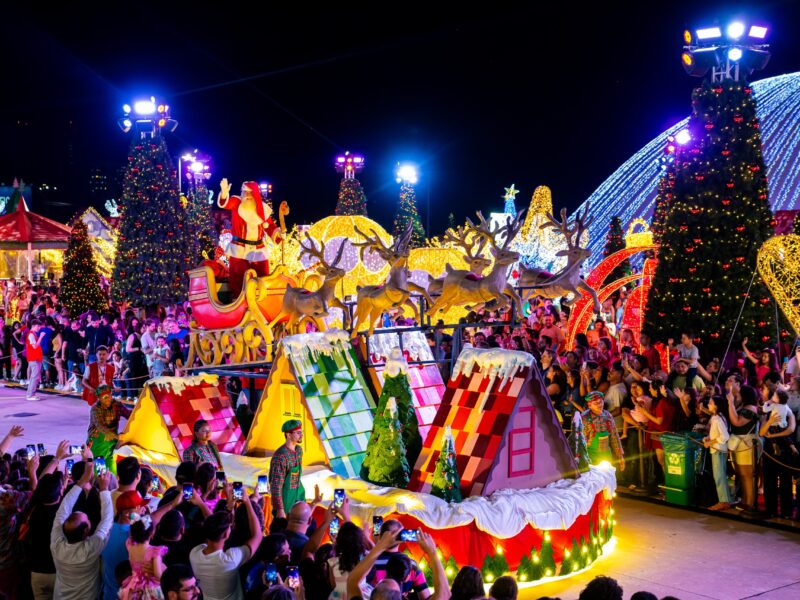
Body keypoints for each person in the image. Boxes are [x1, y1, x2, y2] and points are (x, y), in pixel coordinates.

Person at [51, 463, 113, 599]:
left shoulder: (56, 543)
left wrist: (80, 483)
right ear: (87, 531)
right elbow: (107, 521)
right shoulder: (91, 548)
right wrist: (104, 488)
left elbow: (63, 509)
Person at [217, 178, 289, 297]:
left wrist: (279, 234)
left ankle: (261, 303)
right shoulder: (237, 203)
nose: (248, 195)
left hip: (258, 251)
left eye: (250, 192)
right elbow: (226, 203)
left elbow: (270, 227)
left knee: (263, 279)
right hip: (239, 250)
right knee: (239, 280)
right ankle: (238, 304)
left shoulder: (263, 209)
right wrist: (224, 193)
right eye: (245, 192)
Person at [189, 490, 263, 600]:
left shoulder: (194, 554)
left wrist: (201, 503)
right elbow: (257, 536)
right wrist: (247, 502)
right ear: (226, 534)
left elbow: (212, 528)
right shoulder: (229, 560)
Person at [87, 384, 132, 476]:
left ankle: (112, 484)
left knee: (112, 466)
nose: (107, 399)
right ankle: (98, 486)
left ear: (111, 395)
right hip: (98, 441)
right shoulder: (95, 408)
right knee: (99, 468)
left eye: (108, 396)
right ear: (99, 398)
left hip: (112, 441)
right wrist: (117, 436)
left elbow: (129, 415)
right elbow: (100, 426)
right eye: (103, 397)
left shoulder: (117, 405)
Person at [268, 419, 305, 518]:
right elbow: (275, 485)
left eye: (301, 432)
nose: (301, 435)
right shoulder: (280, 456)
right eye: (298, 433)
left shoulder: (299, 451)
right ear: (288, 435)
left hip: (298, 497)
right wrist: (280, 509)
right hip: (285, 502)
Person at [581, 391, 625, 471]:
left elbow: (614, 436)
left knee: (606, 476)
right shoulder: (585, 418)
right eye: (595, 403)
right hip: (590, 454)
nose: (599, 405)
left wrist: (620, 455)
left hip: (605, 454)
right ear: (589, 405)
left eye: (600, 402)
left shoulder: (608, 416)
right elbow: (580, 440)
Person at [703, 396, 733, 511]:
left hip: (718, 450)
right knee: (719, 475)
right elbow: (716, 434)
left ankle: (723, 501)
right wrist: (708, 438)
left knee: (719, 476)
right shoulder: (716, 417)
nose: (708, 405)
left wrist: (711, 442)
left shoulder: (718, 419)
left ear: (716, 406)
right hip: (717, 449)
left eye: (710, 403)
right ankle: (725, 499)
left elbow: (725, 436)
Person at [25, 318, 45, 400]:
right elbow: (35, 346)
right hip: (33, 358)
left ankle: (31, 394)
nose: (39, 328)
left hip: (36, 358)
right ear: (33, 326)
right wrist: (41, 337)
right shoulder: (31, 334)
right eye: (38, 326)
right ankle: (30, 395)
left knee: (35, 377)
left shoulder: (33, 334)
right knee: (34, 376)